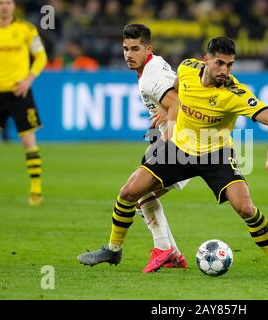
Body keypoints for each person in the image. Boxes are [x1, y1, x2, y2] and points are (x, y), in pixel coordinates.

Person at [78, 36, 268, 276]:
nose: (225, 70)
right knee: (129, 191)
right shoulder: (187, 68)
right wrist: (166, 111)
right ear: (206, 59)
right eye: (219, 63)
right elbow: (176, 92)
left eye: (230, 65)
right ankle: (114, 250)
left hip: (216, 154)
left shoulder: (235, 93)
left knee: (245, 208)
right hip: (179, 149)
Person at [78, 24, 188, 272]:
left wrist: (167, 143)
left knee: (130, 192)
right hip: (189, 141)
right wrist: (167, 107)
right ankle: (170, 253)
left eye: (135, 49)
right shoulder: (155, 64)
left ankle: (118, 250)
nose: (129, 54)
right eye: (126, 48)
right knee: (140, 194)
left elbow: (177, 104)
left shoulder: (151, 77)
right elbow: (178, 94)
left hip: (184, 145)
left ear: (148, 49)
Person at [0, 0, 47, 206]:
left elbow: (41, 56)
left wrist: (28, 80)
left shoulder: (26, 29)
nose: (4, 6)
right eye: (0, 2)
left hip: (19, 93)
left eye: (8, 2)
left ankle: (36, 189)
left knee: (28, 141)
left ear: (13, 6)